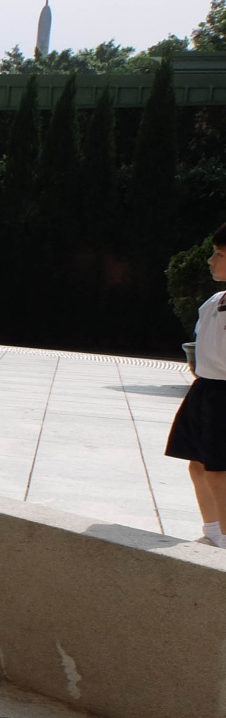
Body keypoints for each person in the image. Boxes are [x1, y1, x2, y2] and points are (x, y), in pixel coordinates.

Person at [166, 222, 226, 545]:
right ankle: (213, 531)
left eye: (219, 254)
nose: (210, 260)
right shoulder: (214, 301)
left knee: (219, 471)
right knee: (198, 465)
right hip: (205, 390)